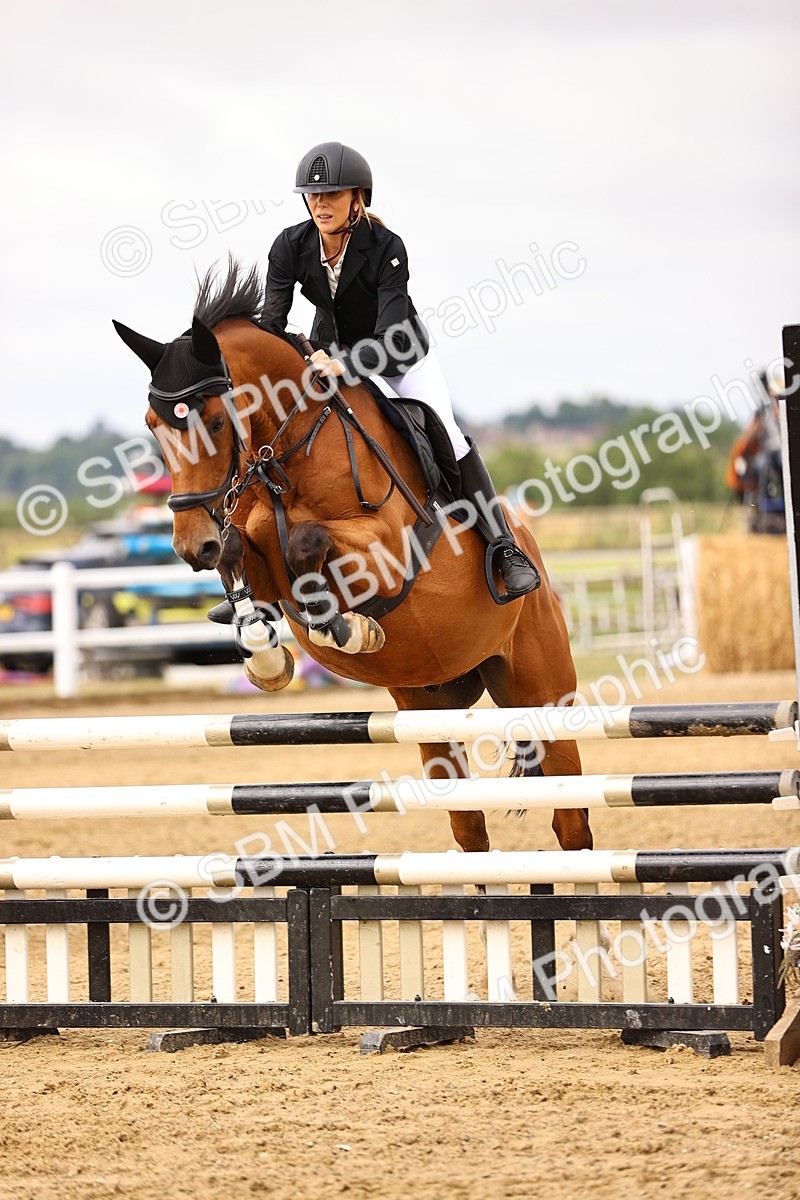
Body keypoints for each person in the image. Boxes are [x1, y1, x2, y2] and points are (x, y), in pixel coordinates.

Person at [250, 140, 538, 604]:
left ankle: (504, 547)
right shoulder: (289, 246)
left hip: (399, 356)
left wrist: (343, 364)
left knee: (450, 433)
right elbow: (270, 325)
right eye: (313, 196)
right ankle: (247, 569)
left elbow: (388, 334)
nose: (320, 204)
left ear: (357, 197)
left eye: (333, 195)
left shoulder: (387, 247)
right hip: (328, 352)